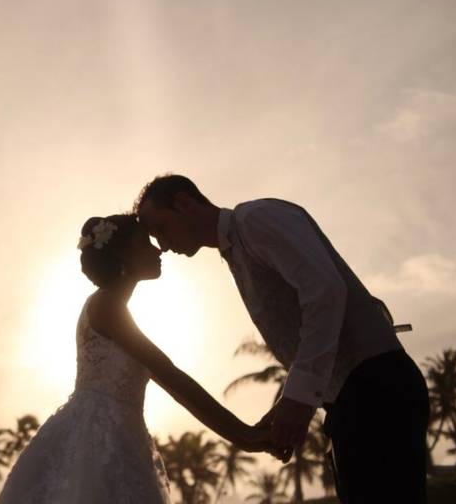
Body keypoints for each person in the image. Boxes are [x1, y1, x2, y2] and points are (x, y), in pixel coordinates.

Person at [134, 174, 430, 503]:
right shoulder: (234, 252)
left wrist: (299, 397)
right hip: (349, 403)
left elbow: (325, 292)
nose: (161, 244)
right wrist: (287, 404)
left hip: (378, 391)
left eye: (160, 227)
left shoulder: (255, 219)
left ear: (184, 203)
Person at [0, 213, 277, 503]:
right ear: (122, 255)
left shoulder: (113, 306)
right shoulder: (107, 305)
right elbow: (170, 375)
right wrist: (243, 435)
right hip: (99, 440)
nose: (158, 250)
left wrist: (246, 435)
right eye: (144, 243)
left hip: (121, 433)